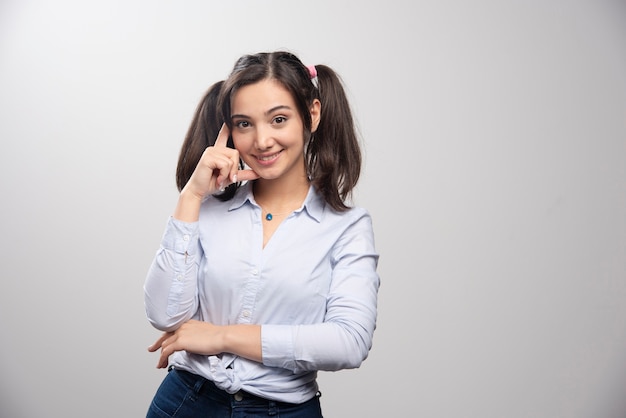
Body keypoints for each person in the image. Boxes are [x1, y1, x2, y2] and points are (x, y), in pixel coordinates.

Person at [143, 50, 380, 418]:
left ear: (311, 114)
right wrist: (191, 195)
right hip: (186, 402)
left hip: (283, 411)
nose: (262, 141)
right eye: (244, 124)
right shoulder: (206, 210)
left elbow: (349, 342)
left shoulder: (346, 227)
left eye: (278, 119)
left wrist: (222, 336)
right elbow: (165, 316)